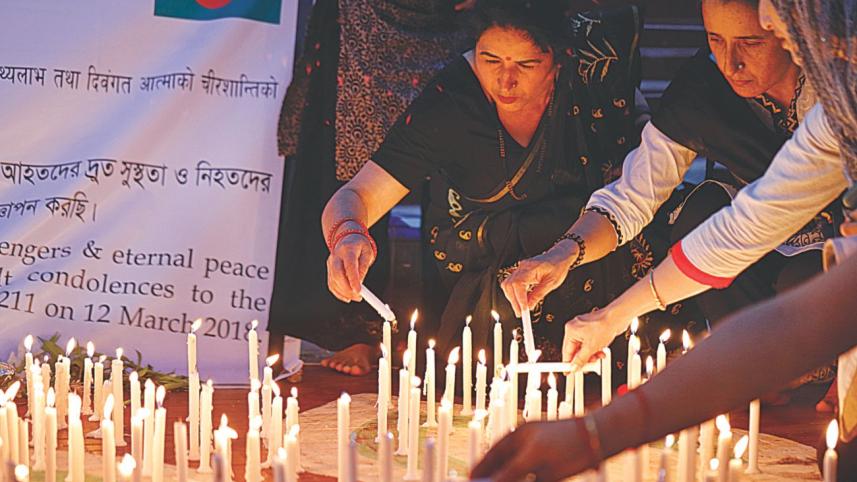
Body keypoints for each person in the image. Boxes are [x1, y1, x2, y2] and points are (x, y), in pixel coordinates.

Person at [473, 0, 857, 479]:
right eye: (714, 41)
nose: (729, 63)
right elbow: (740, 230)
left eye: (760, 37)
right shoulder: (824, 119)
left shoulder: (829, 95)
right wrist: (606, 310)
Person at [321, 0, 690, 368]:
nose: (505, 80)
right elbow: (355, 195)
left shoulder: (590, 77)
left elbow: (639, 165)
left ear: (559, 58)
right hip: (487, 255)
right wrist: (348, 235)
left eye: (527, 64)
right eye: (490, 59)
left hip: (593, 235)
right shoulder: (451, 101)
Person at [268, 0, 470, 377]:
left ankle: (443, 334)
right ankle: (355, 327)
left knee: (454, 167)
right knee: (348, 171)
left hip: (451, 21)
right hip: (363, 19)